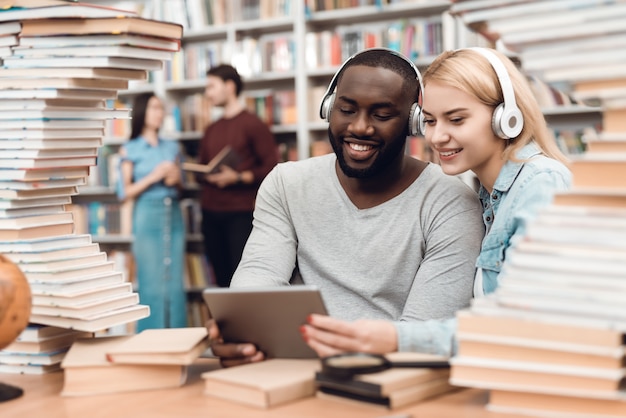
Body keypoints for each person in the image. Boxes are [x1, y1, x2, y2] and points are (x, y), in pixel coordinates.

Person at [208, 48, 485, 367]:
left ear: (414, 122)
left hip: (389, 379)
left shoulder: (451, 202)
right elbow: (259, 278)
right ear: (328, 108)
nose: (360, 128)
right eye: (347, 109)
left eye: (382, 115)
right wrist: (242, 330)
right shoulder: (287, 183)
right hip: (290, 368)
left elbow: (422, 336)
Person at [420, 47, 571, 297]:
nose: (437, 137)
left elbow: (522, 315)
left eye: (456, 119)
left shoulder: (542, 184)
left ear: (506, 118)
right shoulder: (488, 197)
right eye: (430, 121)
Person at [198, 64, 279, 288]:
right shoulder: (211, 129)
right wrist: (204, 174)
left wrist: (238, 177)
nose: (208, 93)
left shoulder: (253, 124)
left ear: (230, 86)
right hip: (210, 213)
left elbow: (273, 167)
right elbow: (201, 166)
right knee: (220, 278)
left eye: (212, 86)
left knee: (241, 279)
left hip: (241, 214)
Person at [118, 93, 187, 332]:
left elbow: (181, 187)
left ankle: (180, 342)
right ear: (141, 113)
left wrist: (177, 179)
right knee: (151, 284)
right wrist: (153, 177)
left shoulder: (172, 147)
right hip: (147, 215)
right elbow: (124, 191)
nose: (159, 113)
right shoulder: (130, 149)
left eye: (161, 108)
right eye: (154, 108)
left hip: (174, 214)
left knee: (175, 284)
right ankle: (151, 342)